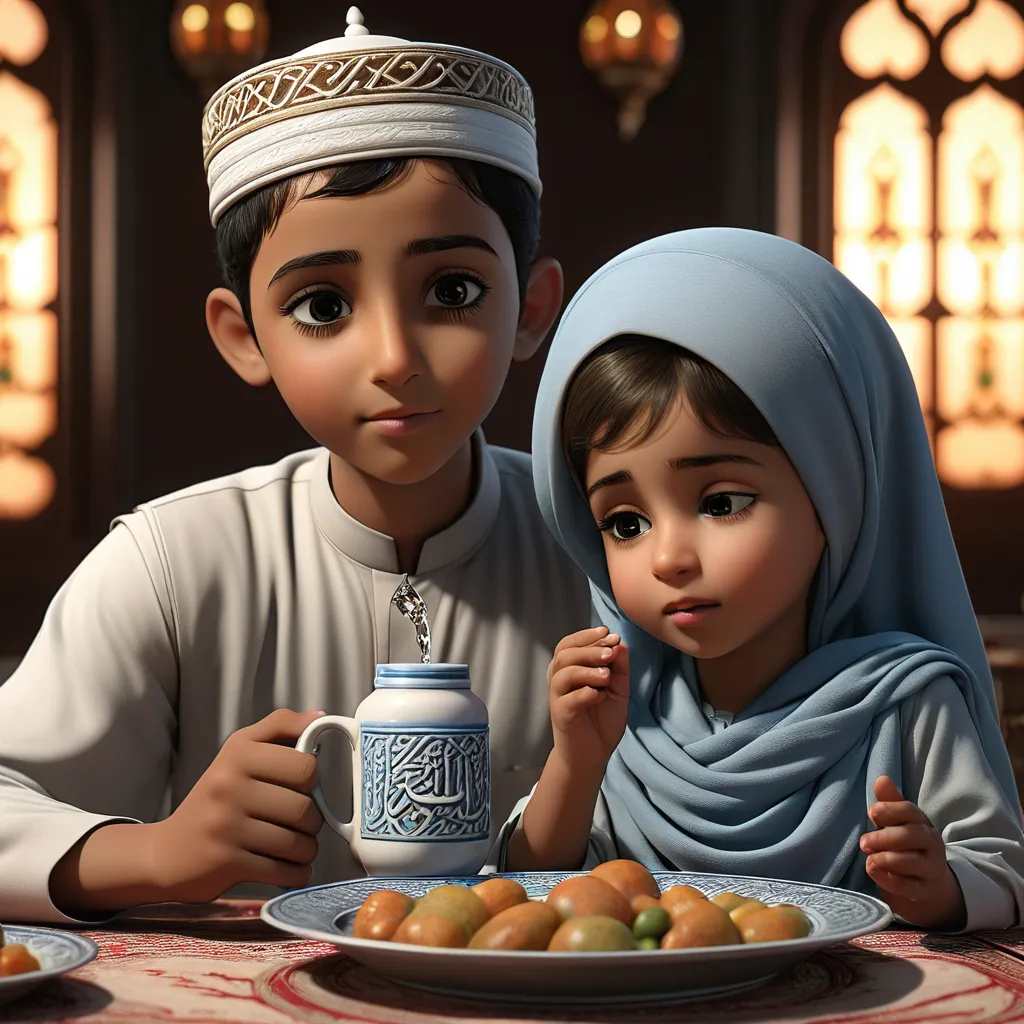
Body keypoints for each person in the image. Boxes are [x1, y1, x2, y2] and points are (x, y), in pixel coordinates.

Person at [0, 9, 590, 922]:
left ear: (532, 308)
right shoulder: (173, 563)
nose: (394, 355)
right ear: (244, 338)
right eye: (322, 305)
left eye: (453, 291)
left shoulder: (599, 551)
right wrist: (159, 855)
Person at [500, 227, 1024, 932]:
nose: (669, 559)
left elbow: (1000, 870)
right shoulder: (627, 707)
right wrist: (575, 762)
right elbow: (537, 887)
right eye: (625, 522)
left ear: (835, 491)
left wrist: (940, 884)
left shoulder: (905, 701)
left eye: (721, 503)